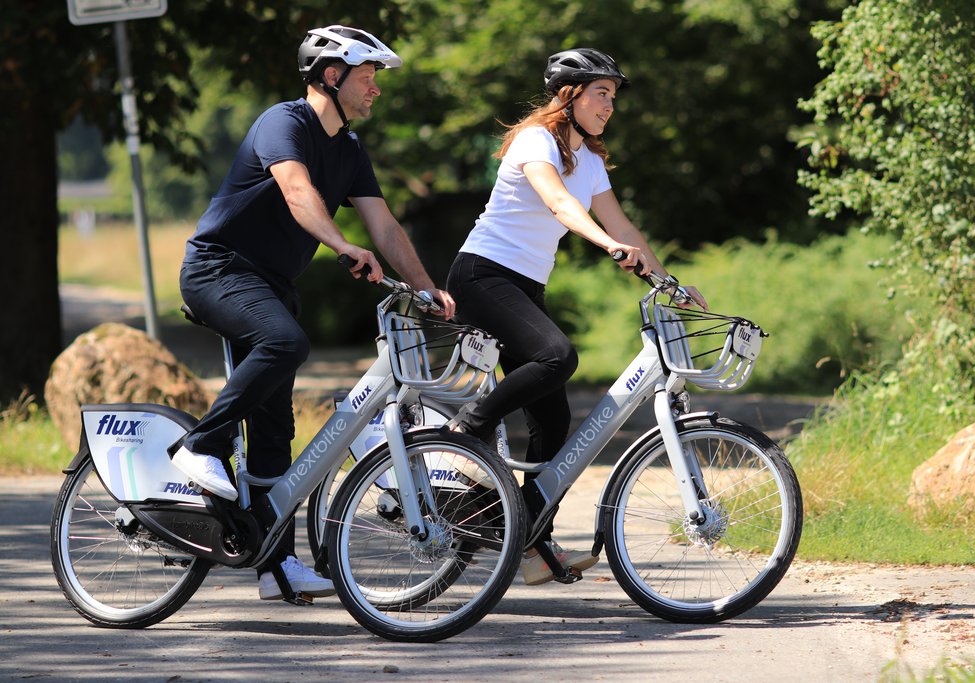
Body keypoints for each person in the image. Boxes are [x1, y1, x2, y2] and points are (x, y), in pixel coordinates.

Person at [172, 25, 455, 601]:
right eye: (369, 76)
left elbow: (384, 225)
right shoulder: (285, 123)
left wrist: (427, 288)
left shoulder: (348, 149)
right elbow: (298, 192)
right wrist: (343, 246)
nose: (376, 88)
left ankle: (274, 567)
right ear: (332, 75)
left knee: (276, 428)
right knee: (286, 343)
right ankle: (199, 447)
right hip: (220, 270)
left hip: (274, 284)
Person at [446, 48, 707, 586]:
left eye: (614, 96)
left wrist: (669, 283)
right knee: (557, 356)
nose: (610, 105)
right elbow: (562, 205)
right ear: (568, 95)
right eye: (601, 93)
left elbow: (623, 224)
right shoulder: (535, 140)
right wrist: (607, 245)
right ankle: (469, 427)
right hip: (481, 275)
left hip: (523, 285)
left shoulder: (589, 161)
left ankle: (524, 535)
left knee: (555, 423)